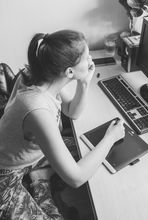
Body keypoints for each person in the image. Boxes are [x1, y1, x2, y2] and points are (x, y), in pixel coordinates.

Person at [0, 30, 125, 220]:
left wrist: (84, 83)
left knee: (87, 147)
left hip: (32, 156)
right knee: (96, 151)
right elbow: (76, 178)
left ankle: (39, 176)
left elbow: (71, 112)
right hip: (5, 176)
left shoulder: (44, 79)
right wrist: (110, 137)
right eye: (86, 57)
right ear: (69, 72)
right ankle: (40, 177)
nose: (90, 59)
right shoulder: (36, 109)